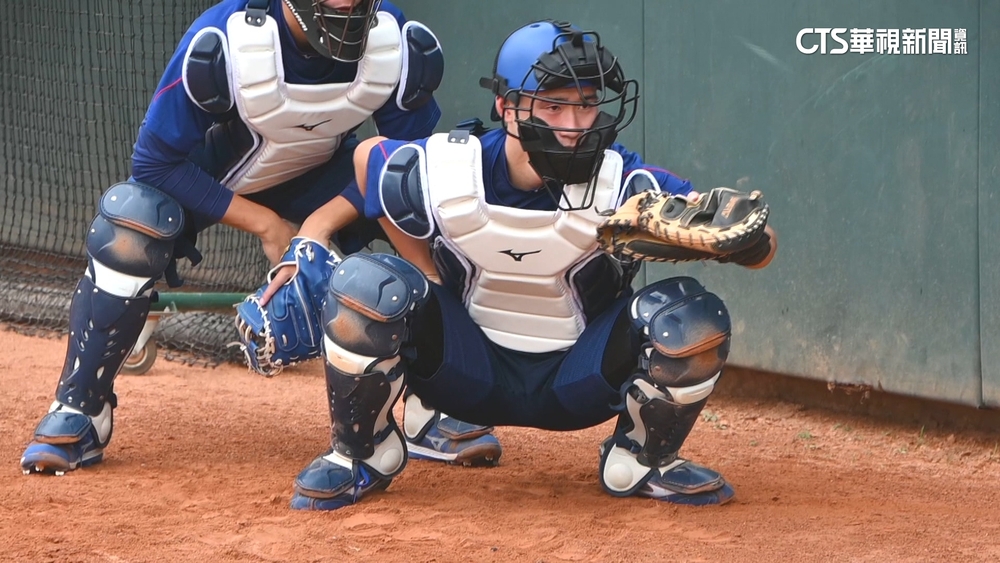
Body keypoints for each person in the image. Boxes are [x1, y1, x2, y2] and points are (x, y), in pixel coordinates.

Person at [287, 19, 778, 510]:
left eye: (586, 105)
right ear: (506, 107)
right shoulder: (452, 167)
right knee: (367, 283)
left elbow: (756, 239)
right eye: (553, 105)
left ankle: (642, 458)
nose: (574, 124)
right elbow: (371, 160)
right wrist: (428, 271)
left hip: (577, 381)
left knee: (690, 315)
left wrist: (745, 241)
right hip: (466, 372)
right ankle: (362, 454)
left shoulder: (626, 180)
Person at [19, 0, 500, 477]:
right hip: (227, 179)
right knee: (131, 221)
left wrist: (318, 226)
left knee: (432, 208)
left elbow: (405, 161)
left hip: (325, 180)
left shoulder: (397, 42)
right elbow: (154, 163)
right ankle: (81, 408)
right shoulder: (225, 40)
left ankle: (432, 405)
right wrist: (268, 225)